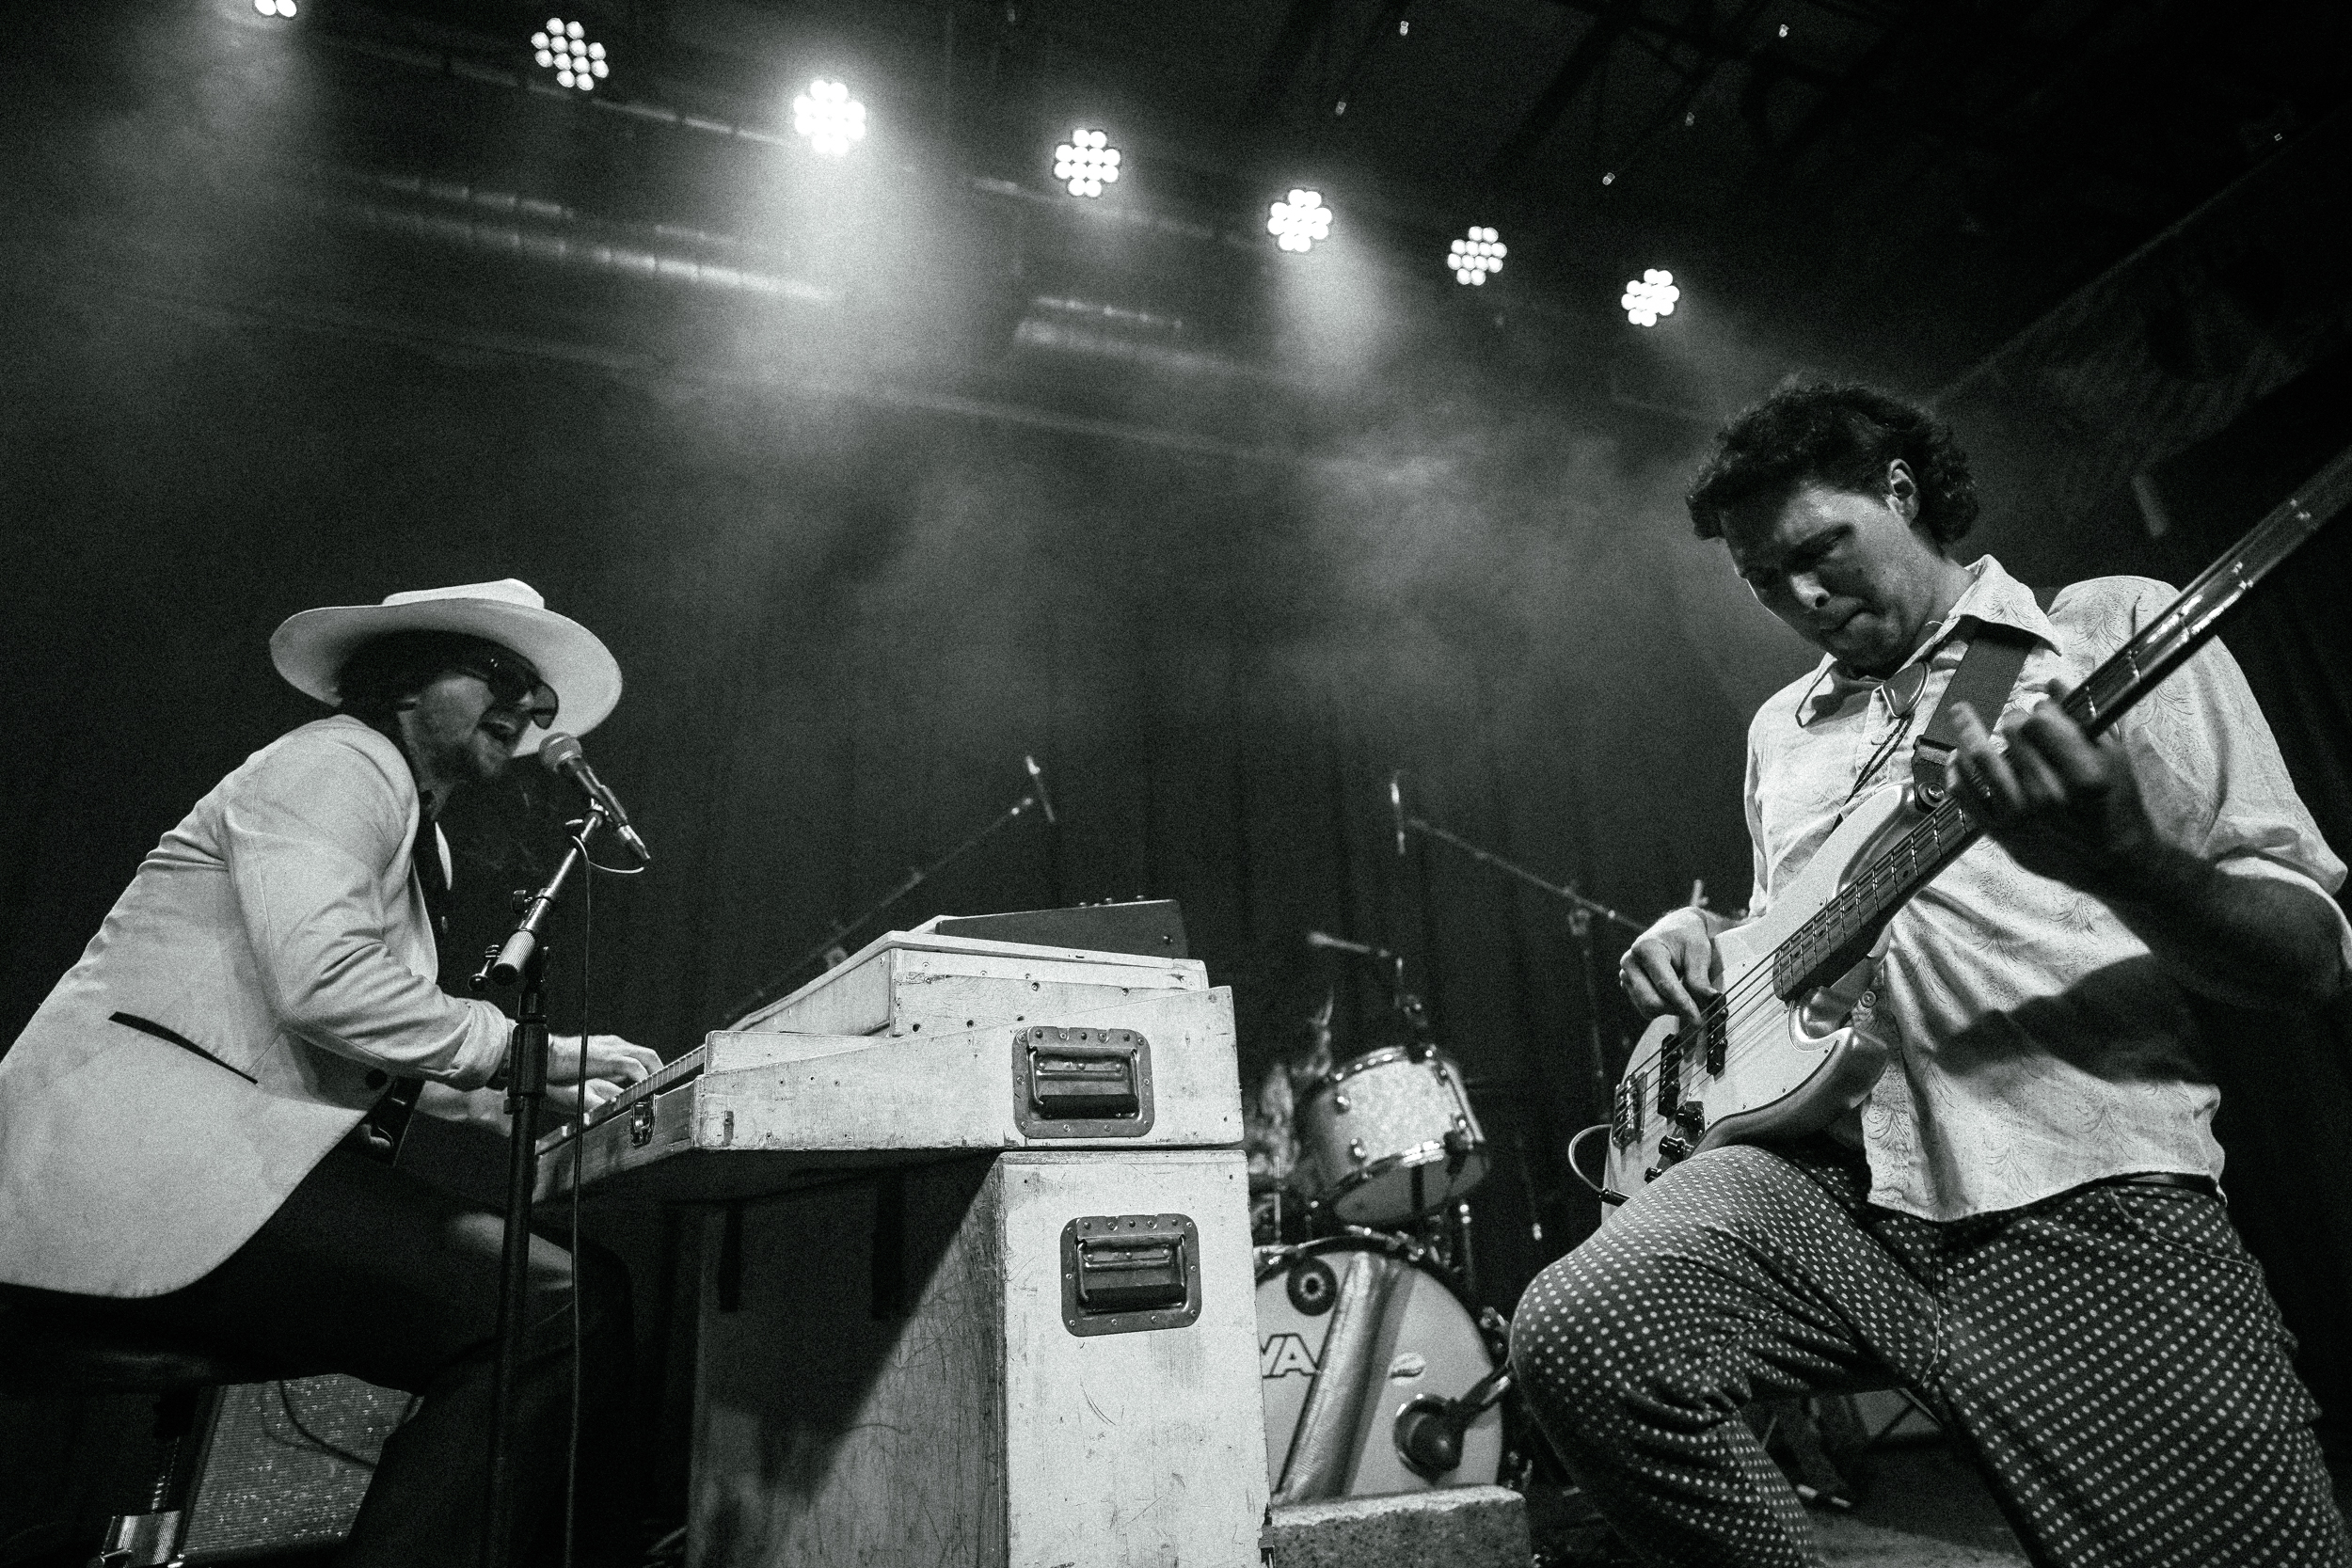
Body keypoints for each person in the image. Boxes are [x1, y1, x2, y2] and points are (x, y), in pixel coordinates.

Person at [1509, 385, 2352, 1567]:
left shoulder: (2105, 630)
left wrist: (2128, 863)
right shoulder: (1780, 729)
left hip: (2076, 1192)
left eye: (1819, 548)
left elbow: (2309, 953)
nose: (1802, 596)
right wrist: (1705, 937)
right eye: (1764, 579)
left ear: (1899, 491)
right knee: (1582, 1328)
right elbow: (1795, 932)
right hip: (1827, 1190)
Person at [0, 578, 661, 1567]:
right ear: (404, 682)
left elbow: (346, 1028)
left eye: (539, 693)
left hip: (201, 1171)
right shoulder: (339, 761)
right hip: (134, 1167)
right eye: (497, 672)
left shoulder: (411, 824)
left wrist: (495, 1098)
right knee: (559, 1302)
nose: (527, 705)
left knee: (564, 1296)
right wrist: (524, 1052)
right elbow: (323, 980)